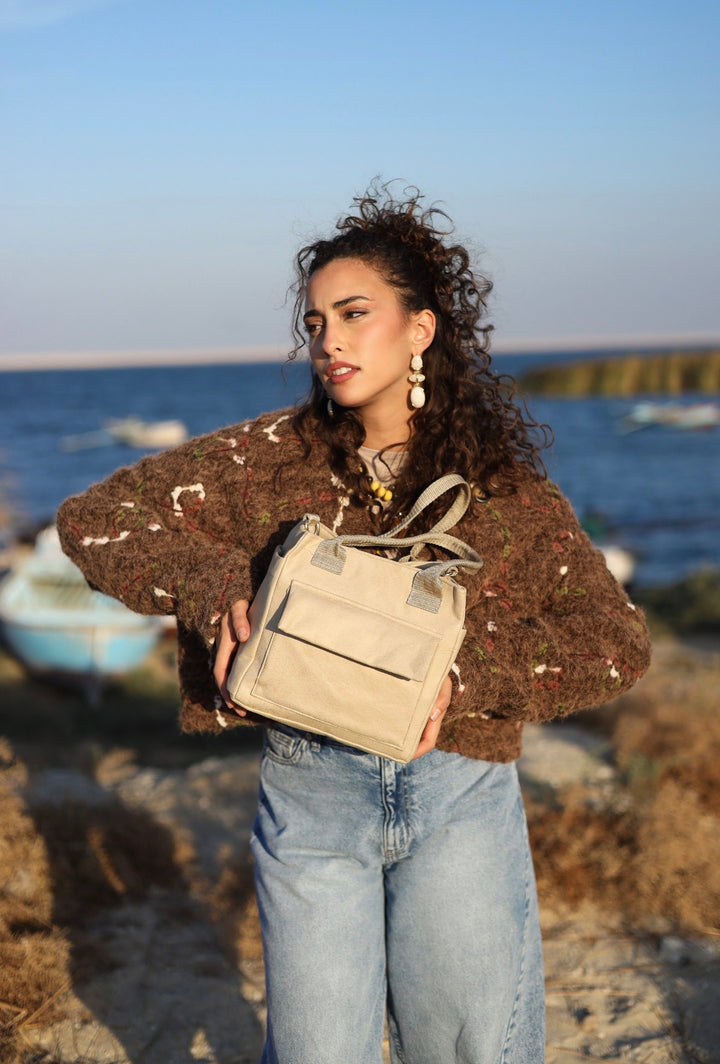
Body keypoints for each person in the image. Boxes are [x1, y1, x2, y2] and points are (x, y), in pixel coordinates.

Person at [57, 183, 652, 1064]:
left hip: (460, 793)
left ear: (420, 328)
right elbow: (95, 519)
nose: (327, 339)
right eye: (314, 321)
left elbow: (615, 642)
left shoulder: (503, 491)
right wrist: (220, 588)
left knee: (471, 1050)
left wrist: (458, 676)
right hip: (311, 791)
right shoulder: (266, 460)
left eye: (354, 313)